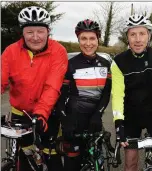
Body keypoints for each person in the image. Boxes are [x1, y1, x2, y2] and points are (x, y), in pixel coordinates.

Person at [1, 6, 68, 171]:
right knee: (23, 157)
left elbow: (52, 86)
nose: (36, 37)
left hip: (47, 112)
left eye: (40, 31)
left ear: (48, 31)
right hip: (20, 112)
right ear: (22, 32)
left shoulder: (58, 51)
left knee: (51, 155)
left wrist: (41, 114)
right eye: (30, 32)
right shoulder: (11, 51)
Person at [111, 14, 152, 171]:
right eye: (133, 34)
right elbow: (118, 94)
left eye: (142, 33)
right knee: (130, 164)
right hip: (131, 115)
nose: (138, 39)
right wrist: (118, 122)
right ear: (127, 37)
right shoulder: (118, 62)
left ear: (149, 35)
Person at [57, 19, 112, 171]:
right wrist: (65, 120)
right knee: (72, 166)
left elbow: (106, 93)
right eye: (84, 38)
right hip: (73, 121)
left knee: (96, 165)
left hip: (95, 121)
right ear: (78, 39)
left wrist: (98, 114)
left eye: (92, 38)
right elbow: (61, 95)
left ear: (98, 39)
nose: (88, 43)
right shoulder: (70, 64)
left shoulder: (105, 64)